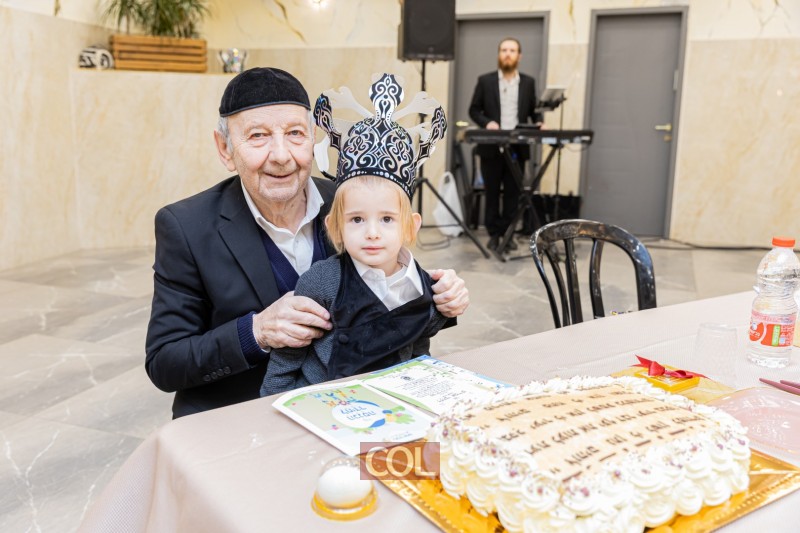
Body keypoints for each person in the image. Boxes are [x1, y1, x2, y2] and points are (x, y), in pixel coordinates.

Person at [145, 68, 469, 418]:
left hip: (358, 407)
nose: (281, 155)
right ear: (225, 148)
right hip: (240, 412)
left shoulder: (353, 205)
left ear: (313, 138)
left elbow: (388, 291)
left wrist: (440, 295)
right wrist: (256, 332)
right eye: (258, 136)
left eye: (295, 134)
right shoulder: (186, 226)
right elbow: (165, 362)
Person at [261, 74, 451, 396]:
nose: (372, 233)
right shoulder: (321, 281)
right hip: (325, 402)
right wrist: (271, 408)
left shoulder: (418, 280)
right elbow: (286, 358)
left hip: (391, 399)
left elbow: (419, 345)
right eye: (357, 219)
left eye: (387, 219)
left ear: (410, 226)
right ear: (336, 226)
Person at [469, 37, 543, 253]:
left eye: (512, 50)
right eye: (504, 50)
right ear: (499, 54)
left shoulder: (528, 82)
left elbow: (534, 110)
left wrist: (539, 121)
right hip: (491, 147)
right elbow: (474, 110)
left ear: (519, 56)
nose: (508, 54)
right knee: (492, 192)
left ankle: (508, 234)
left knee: (513, 194)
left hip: (518, 149)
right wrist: (487, 123)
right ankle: (494, 235)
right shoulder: (485, 81)